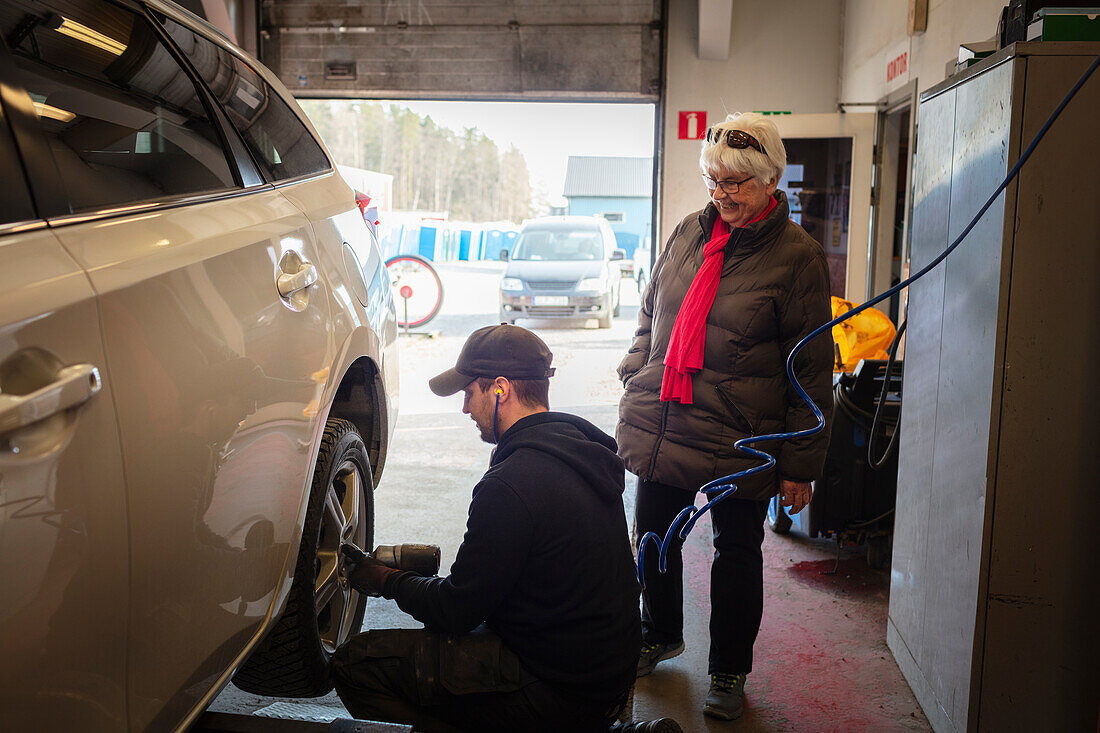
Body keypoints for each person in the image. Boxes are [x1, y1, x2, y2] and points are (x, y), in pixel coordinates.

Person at [331, 324, 675, 732]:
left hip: (555, 690)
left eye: (468, 393)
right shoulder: (581, 455)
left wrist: (387, 579)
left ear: (499, 389)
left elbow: (456, 610)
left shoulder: (510, 484)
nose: (464, 409)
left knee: (356, 663)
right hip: (607, 677)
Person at [616, 112, 834, 721]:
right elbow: (649, 312)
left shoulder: (799, 258)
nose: (722, 194)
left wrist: (800, 464)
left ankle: (729, 669)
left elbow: (812, 369)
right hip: (665, 418)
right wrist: (637, 368)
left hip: (744, 434)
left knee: (735, 553)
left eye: (735, 183)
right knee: (653, 539)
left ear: (770, 180)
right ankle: (659, 632)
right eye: (714, 180)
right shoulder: (688, 231)